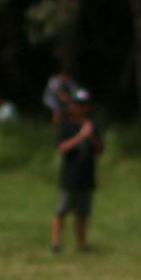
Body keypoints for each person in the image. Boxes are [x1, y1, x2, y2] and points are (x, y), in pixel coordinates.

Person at [50, 90, 100, 254]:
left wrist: (90, 135)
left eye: (84, 105)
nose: (81, 108)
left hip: (87, 175)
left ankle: (82, 243)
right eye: (78, 104)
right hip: (70, 175)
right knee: (62, 210)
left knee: (83, 213)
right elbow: (62, 148)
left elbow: (100, 149)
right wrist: (80, 136)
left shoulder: (92, 125)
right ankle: (56, 243)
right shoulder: (67, 126)